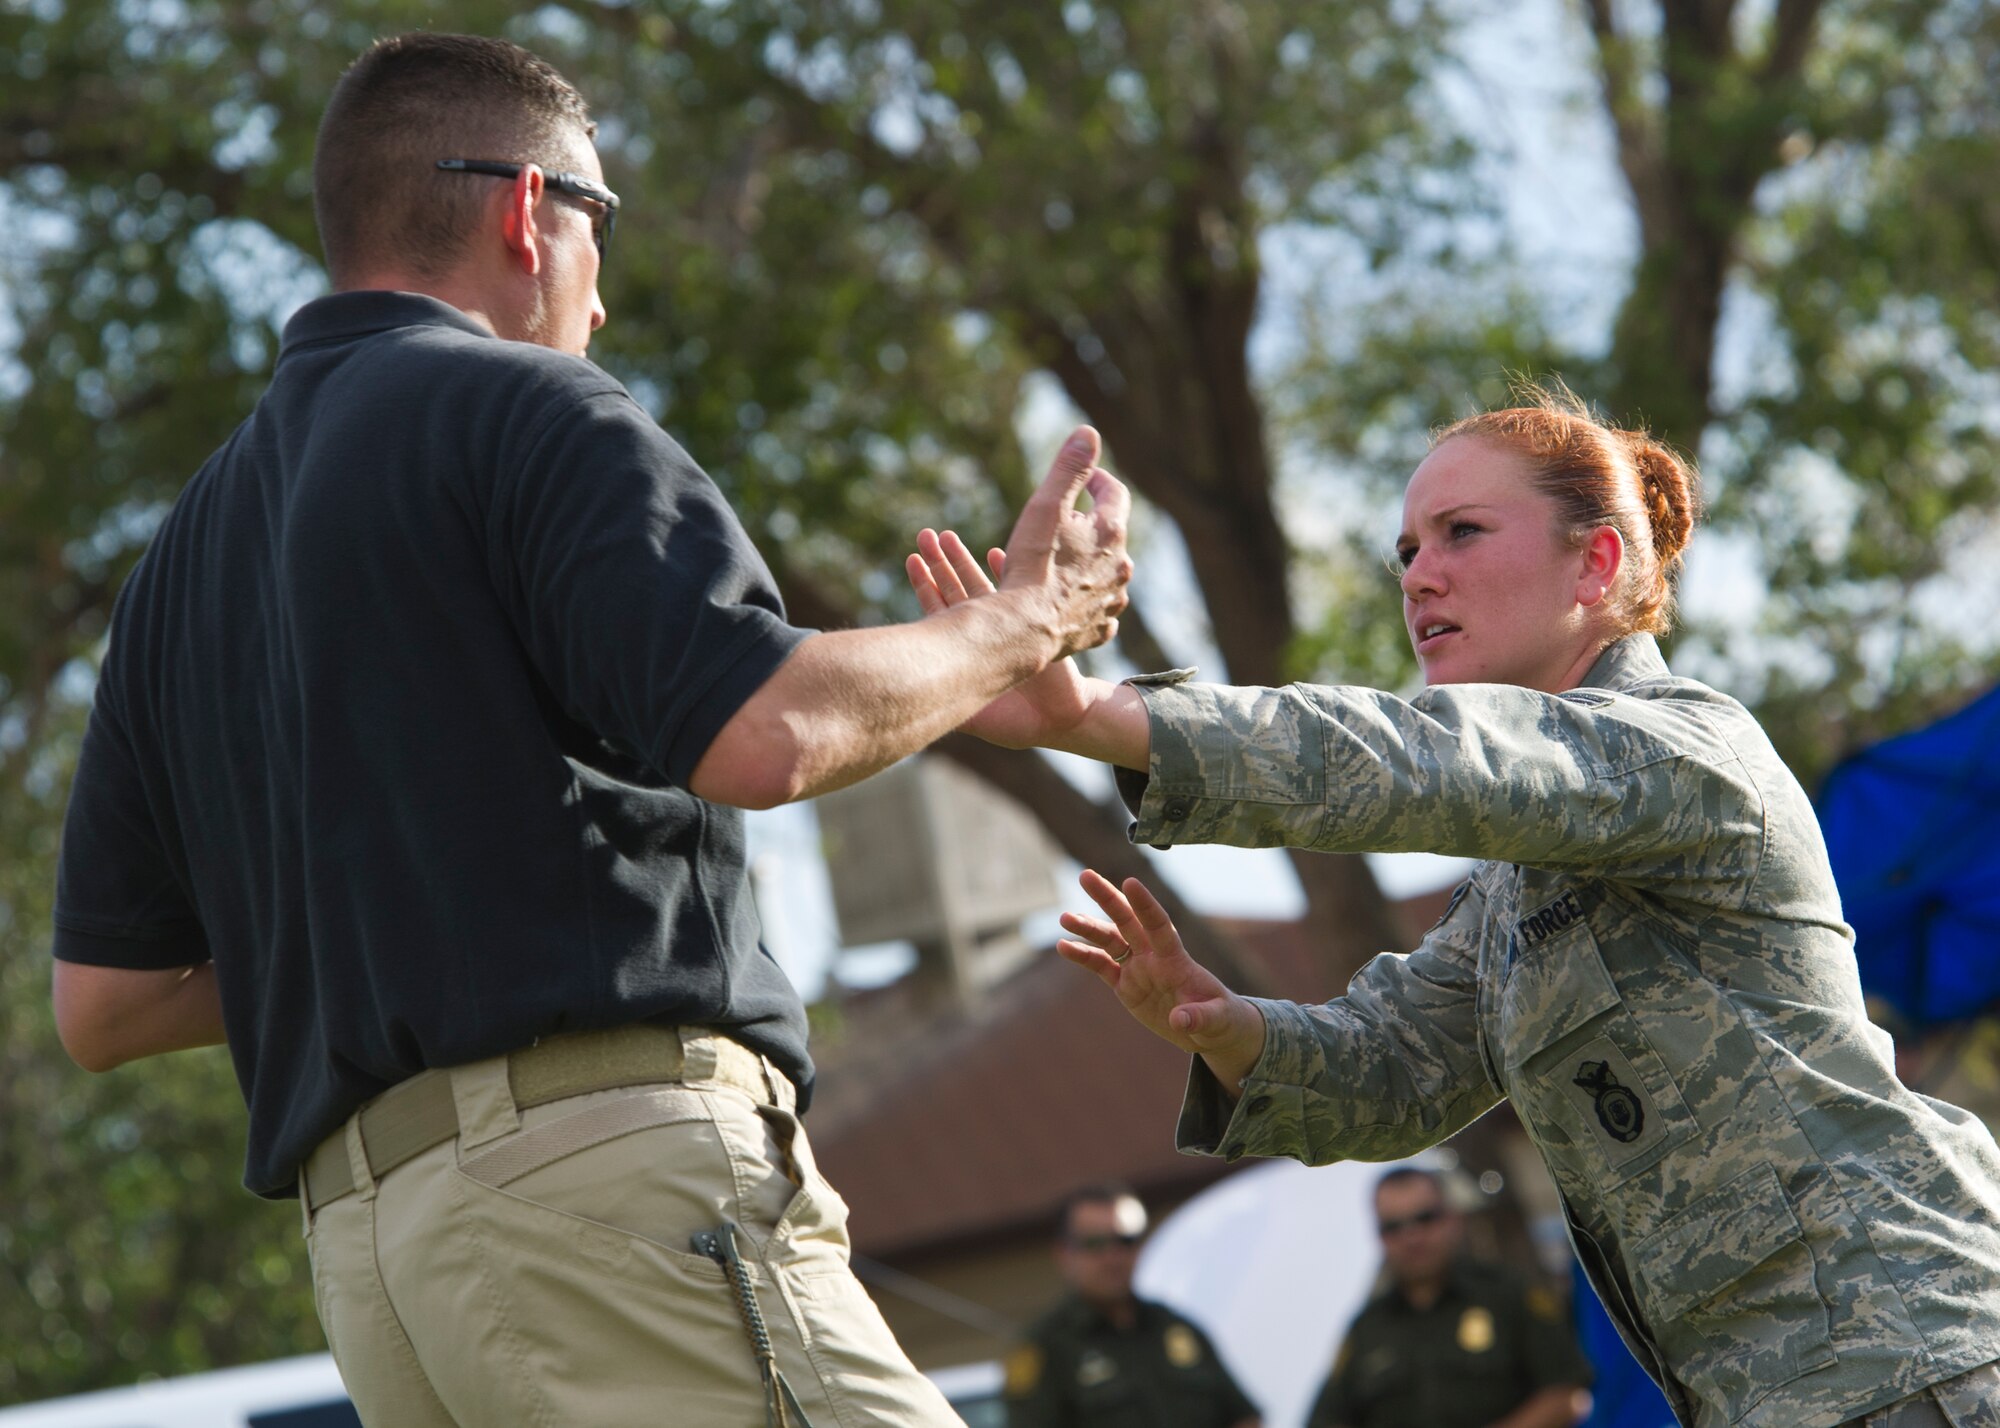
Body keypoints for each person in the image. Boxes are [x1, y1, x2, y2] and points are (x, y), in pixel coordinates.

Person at [48, 32, 1132, 1428]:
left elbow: (108, 1005)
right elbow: (767, 734)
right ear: (526, 210)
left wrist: (397, 919)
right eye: (598, 226)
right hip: (604, 1195)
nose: (602, 300)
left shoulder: (178, 566)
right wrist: (1022, 621)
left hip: (380, 1265)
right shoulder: (526, 403)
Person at [908, 389, 2000, 1428]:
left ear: (1598, 561)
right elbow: (1394, 1070)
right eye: (1405, 551)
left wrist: (1094, 715)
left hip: (1913, 1361)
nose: (1417, 575)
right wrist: (1227, 1026)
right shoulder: (1516, 889)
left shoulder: (1683, 751)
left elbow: (1431, 762)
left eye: (1460, 533)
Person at [1304, 1166, 1589, 1428]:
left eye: (1425, 1218)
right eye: (1393, 1227)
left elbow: (1568, 1395)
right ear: (1379, 1237)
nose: (1412, 1236)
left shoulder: (1508, 1294)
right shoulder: (1366, 1327)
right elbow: (1326, 1419)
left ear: (1452, 1219)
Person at [1002, 1184, 1260, 1428]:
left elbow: (1243, 1417)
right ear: (1064, 1253)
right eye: (1095, 1243)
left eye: (1125, 1241)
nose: (1113, 1257)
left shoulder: (1176, 1327)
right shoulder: (1045, 1347)